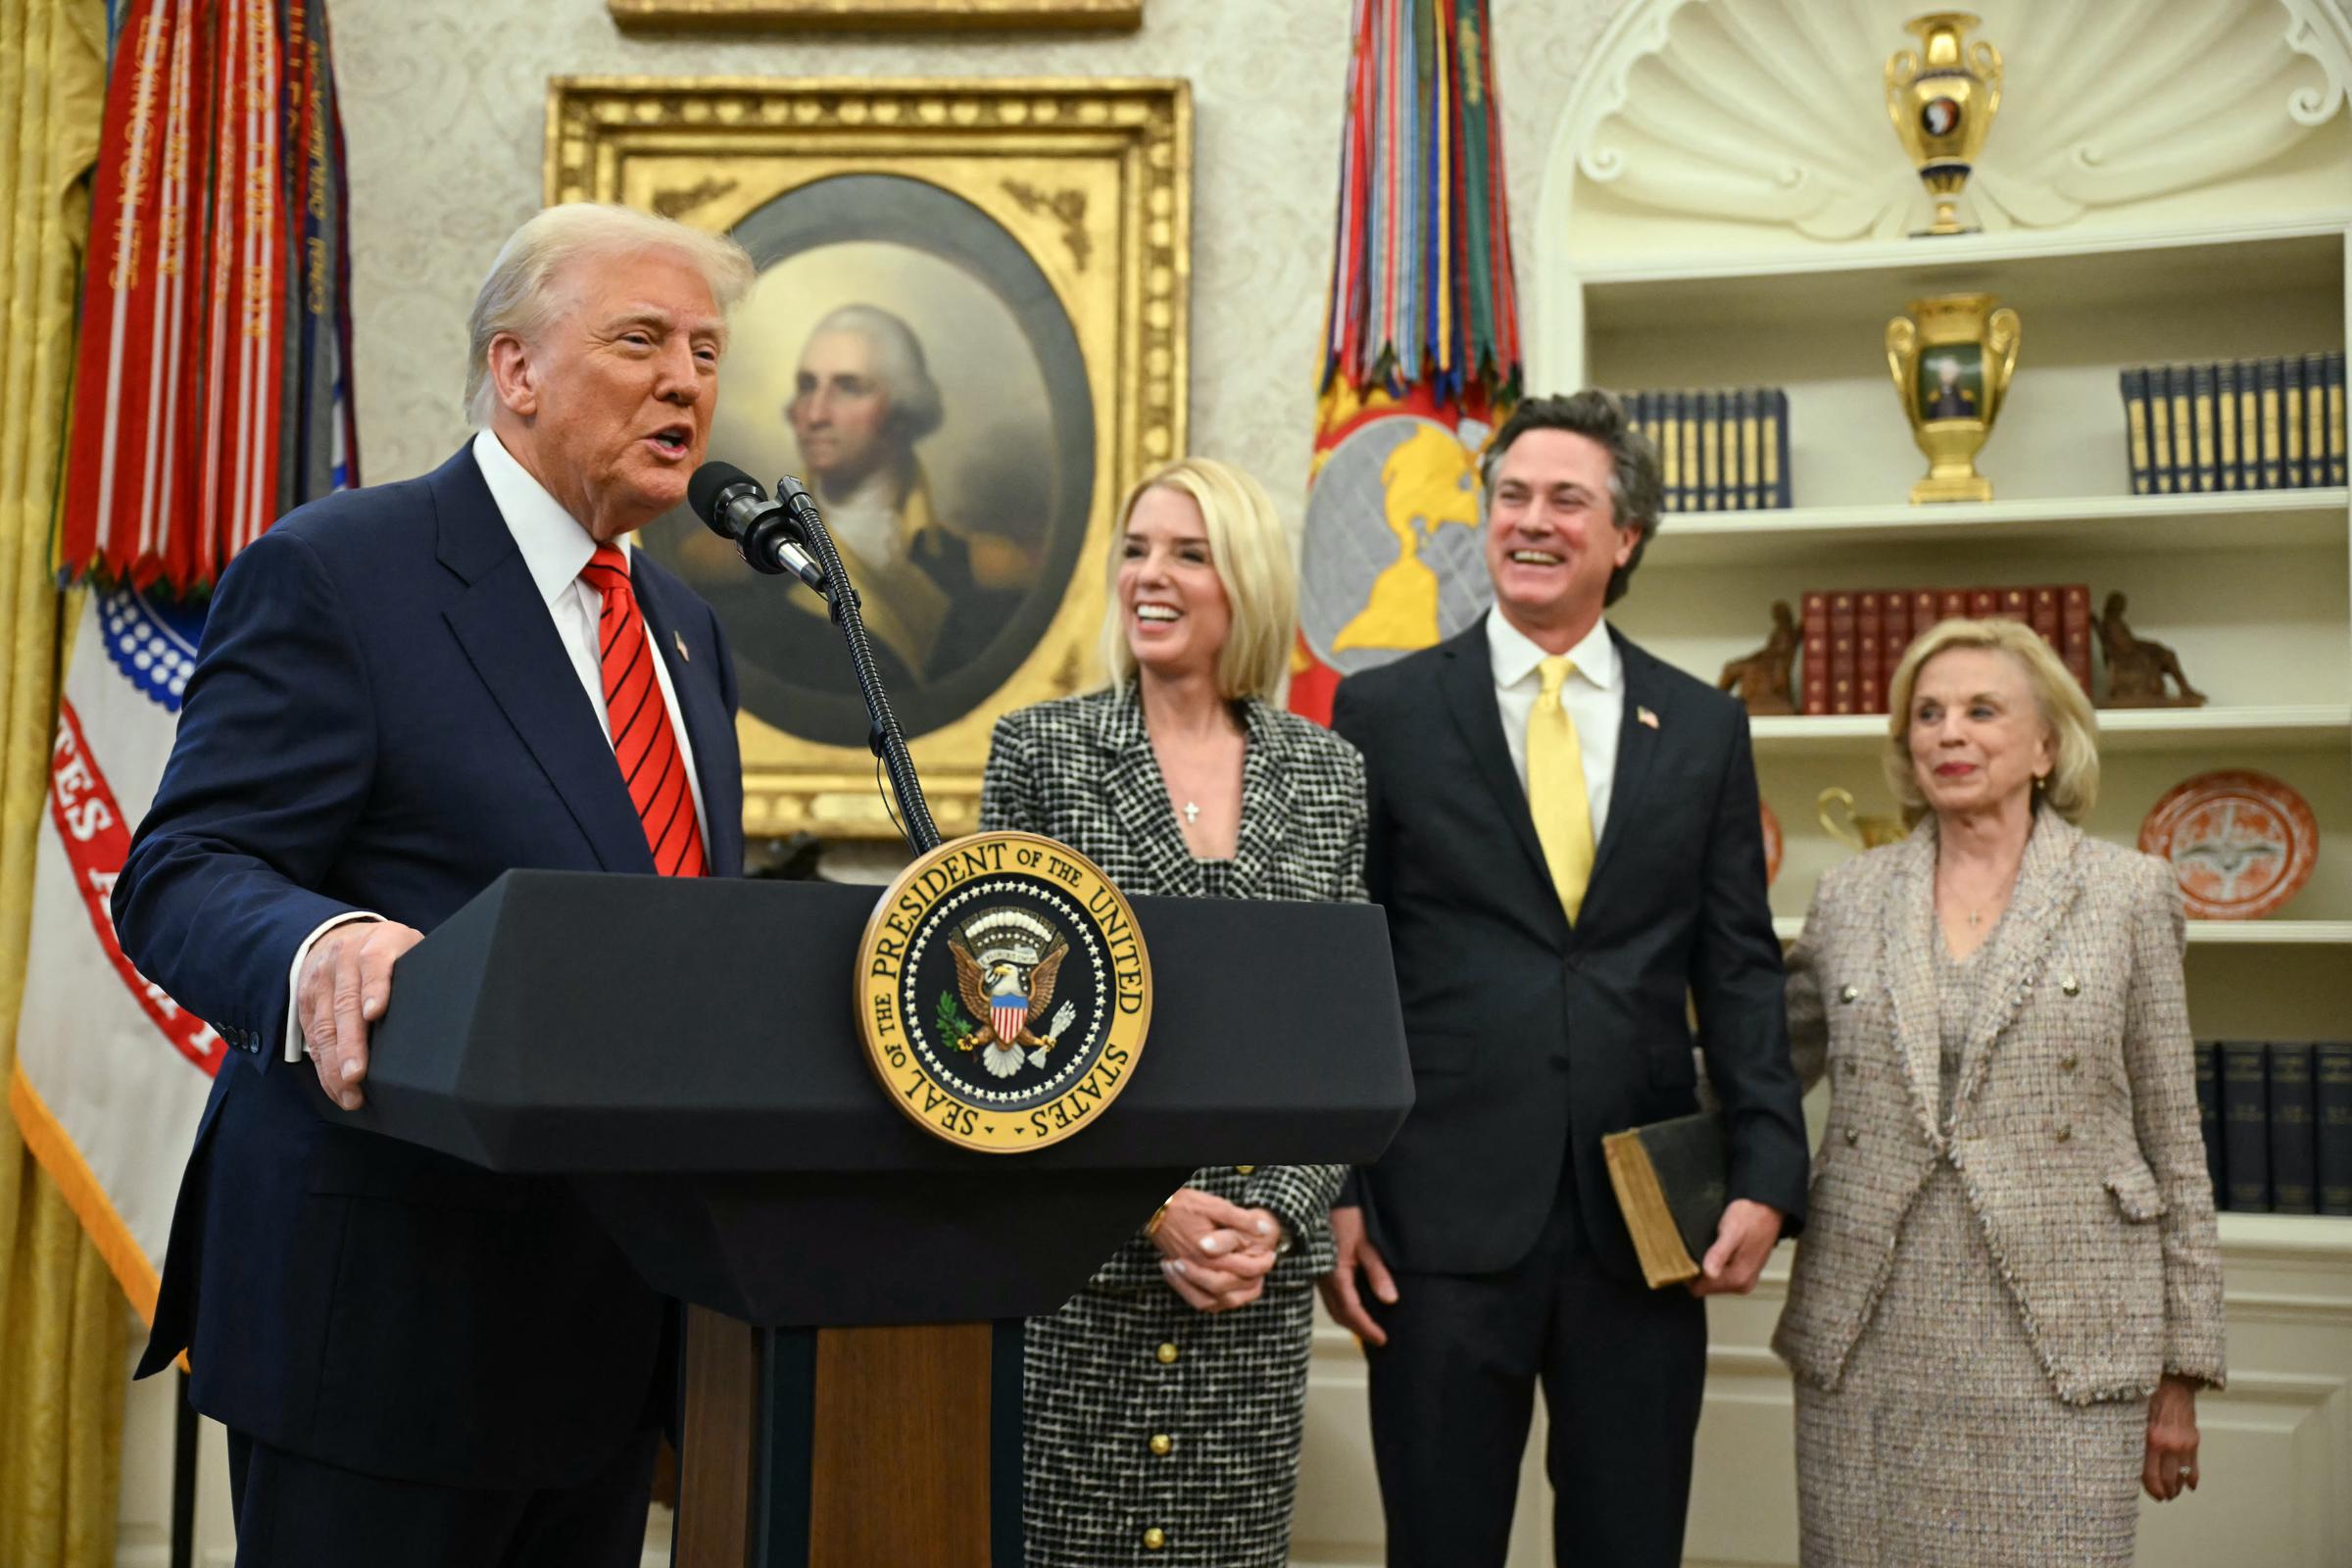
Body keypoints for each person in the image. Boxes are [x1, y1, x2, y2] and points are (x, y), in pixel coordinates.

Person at [111, 203, 755, 1567]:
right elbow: (181, 870)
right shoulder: (343, 571)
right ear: (515, 368)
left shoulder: (687, 629)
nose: (687, 379)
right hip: (384, 1329)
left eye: (705, 350)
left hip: (610, 1334)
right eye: (641, 339)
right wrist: (323, 941)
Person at [1322, 390, 1810, 1568]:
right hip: (1433, 1222)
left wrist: (1769, 1171)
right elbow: (1343, 963)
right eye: (1512, 496)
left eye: (1567, 500)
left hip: (1645, 1228)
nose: (1531, 521)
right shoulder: (1379, 710)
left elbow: (1738, 968)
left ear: (1625, 535)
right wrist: (1335, 1187)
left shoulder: (1700, 728)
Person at [979, 457, 1367, 1568]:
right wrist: (1149, 1204)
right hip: (1084, 1265)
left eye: (1187, 553)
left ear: (1242, 580)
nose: (1151, 575)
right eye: (1137, 549)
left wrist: (1280, 1218)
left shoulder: (1329, 774)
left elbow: (1335, 1043)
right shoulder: (1042, 755)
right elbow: (999, 1047)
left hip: (1251, 1287)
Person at [1774, 616, 2224, 1567]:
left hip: (2069, 1346)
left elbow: (2174, 1138)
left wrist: (2182, 1368)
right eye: (1926, 714)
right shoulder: (1850, 895)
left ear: (2047, 744)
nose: (1948, 732)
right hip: (1870, 1339)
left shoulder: (2129, 894)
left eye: (1982, 710)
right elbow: (1768, 1070)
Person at [781, 303, 1031, 682]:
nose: (815, 414)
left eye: (848, 387)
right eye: (807, 386)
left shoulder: (987, 570)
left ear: (901, 409)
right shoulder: (733, 565)